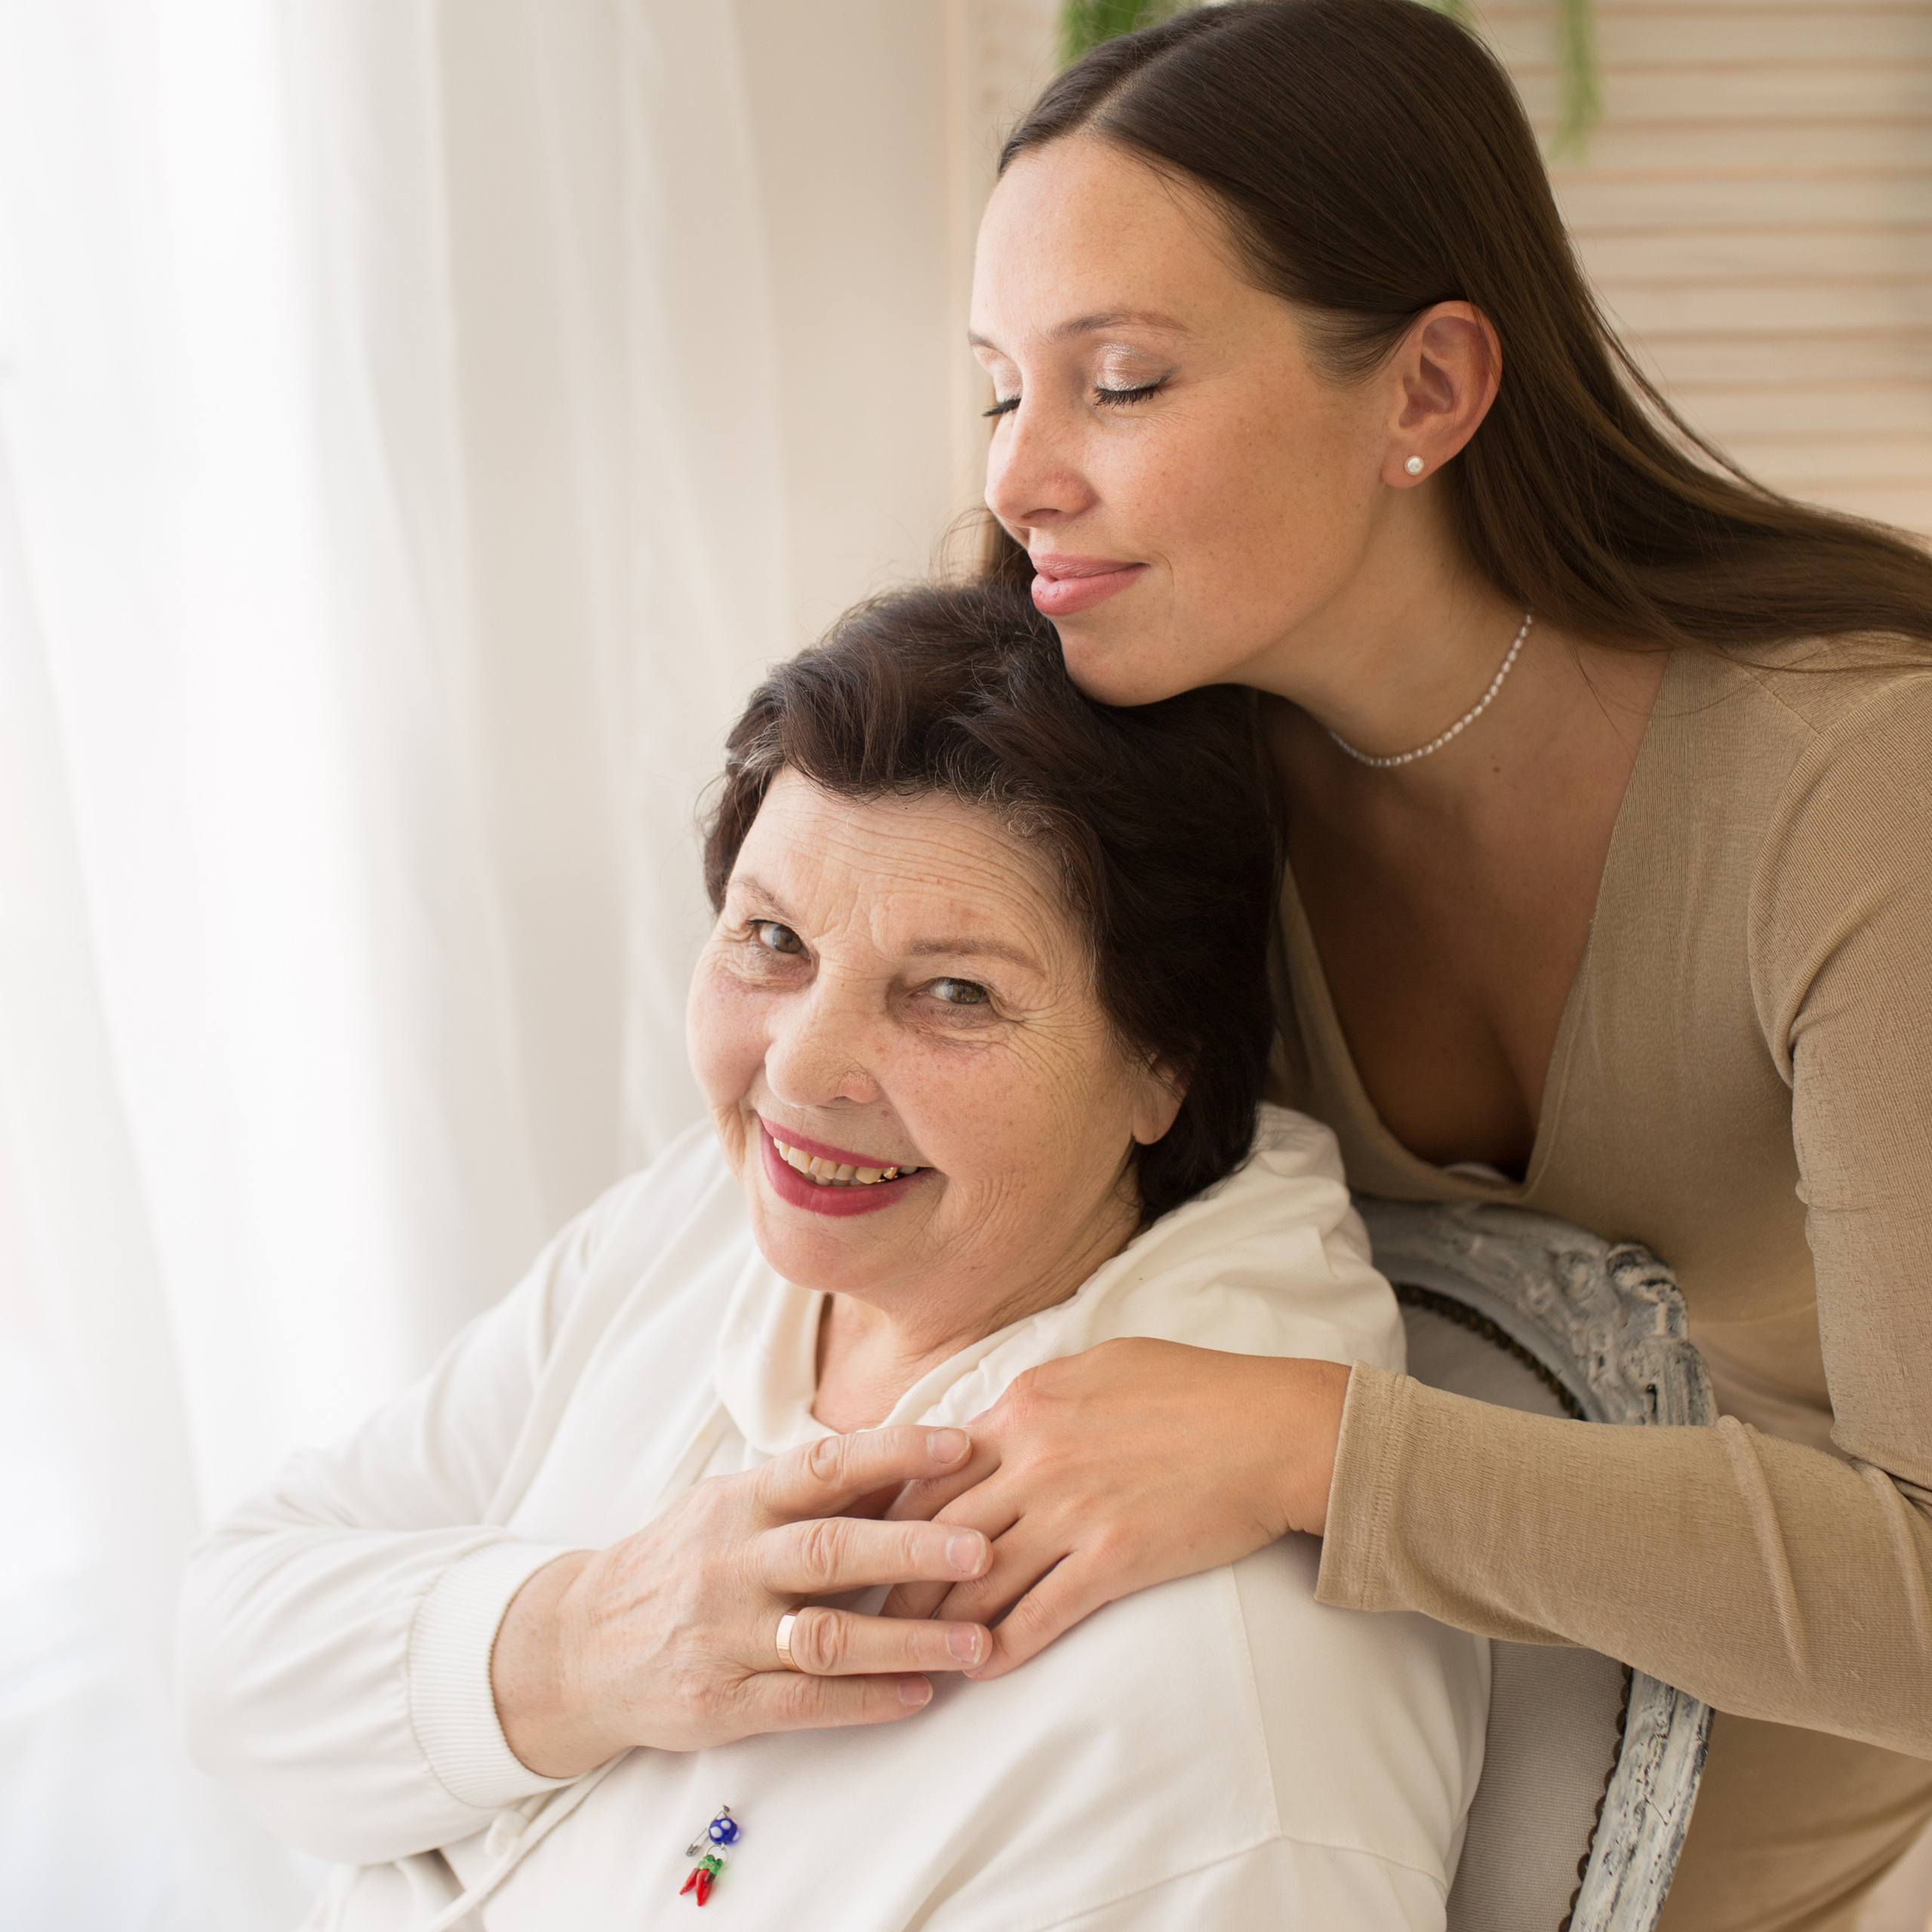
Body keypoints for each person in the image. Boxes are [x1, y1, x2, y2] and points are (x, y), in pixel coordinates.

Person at [884, 4, 1932, 1927]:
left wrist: (1306, 1447)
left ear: (1427, 391)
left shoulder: (1856, 783)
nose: (1020, 475)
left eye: (1115, 382)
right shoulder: (1141, 781)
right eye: (994, 390)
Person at [180, 583, 1488, 1930]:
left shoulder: (1220, 1719)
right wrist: (579, 1645)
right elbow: (230, 1647)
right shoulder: (706, 1224)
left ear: (1164, 1064)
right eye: (773, 939)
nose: (797, 1070)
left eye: (955, 992)